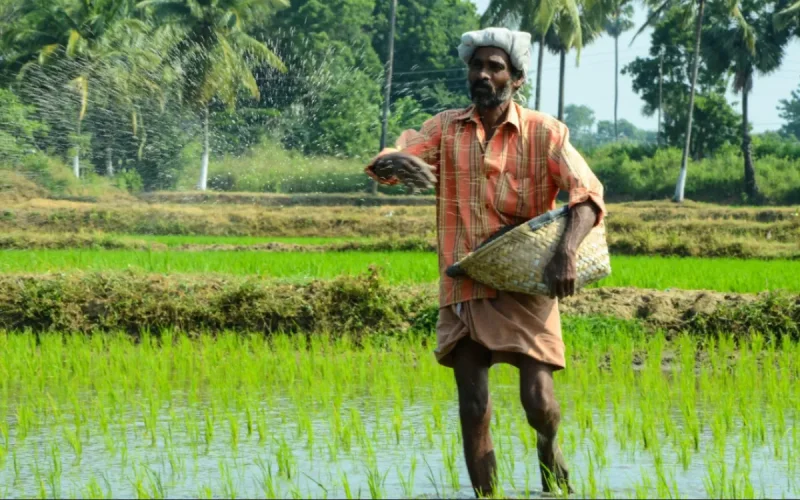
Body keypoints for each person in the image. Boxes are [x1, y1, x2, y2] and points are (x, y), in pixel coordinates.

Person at [365, 27, 606, 497]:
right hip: (465, 281)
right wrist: (397, 161)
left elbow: (587, 196)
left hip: (525, 281)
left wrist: (566, 252)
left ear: (516, 80)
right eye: (477, 66)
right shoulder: (445, 128)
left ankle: (549, 449)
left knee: (538, 403)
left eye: (494, 67)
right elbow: (387, 164)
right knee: (474, 407)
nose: (482, 74)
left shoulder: (545, 133)